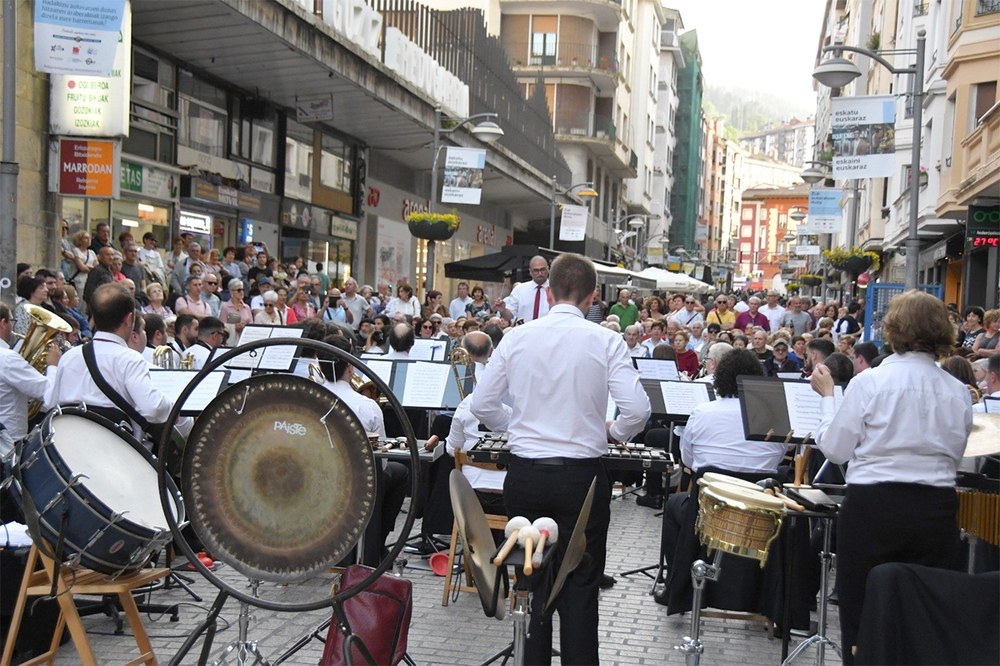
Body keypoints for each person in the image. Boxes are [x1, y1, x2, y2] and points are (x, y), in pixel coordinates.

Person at [472, 253, 651, 665]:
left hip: (527, 473)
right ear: (592, 298)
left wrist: (516, 425)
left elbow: (483, 403)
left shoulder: (516, 337)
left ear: (548, 292)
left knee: (531, 580)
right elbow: (637, 411)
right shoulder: (605, 340)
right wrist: (614, 432)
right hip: (581, 478)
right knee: (581, 585)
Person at [810, 290, 969, 664]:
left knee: (862, 609)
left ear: (893, 330)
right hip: (935, 509)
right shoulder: (957, 390)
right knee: (923, 610)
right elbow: (956, 454)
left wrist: (828, 398)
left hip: (874, 508)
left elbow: (836, 449)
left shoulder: (872, 382)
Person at [47, 283, 192, 443]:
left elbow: (51, 402)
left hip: (69, 446)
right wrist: (173, 408)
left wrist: (52, 368)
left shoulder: (70, 356)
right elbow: (153, 408)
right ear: (129, 319)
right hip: (114, 452)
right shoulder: (130, 359)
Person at [317, 334, 408, 565]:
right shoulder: (366, 406)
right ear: (350, 367)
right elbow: (383, 457)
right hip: (356, 482)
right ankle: (375, 544)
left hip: (316, 475)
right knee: (397, 472)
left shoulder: (307, 399)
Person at [0, 303, 60, 449]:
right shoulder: (8, 359)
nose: (12, 327)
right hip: (9, 441)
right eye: (12, 321)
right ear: (2, 323)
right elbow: (50, 395)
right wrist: (53, 365)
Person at [494, 256, 550, 323]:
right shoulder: (519, 290)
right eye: (536, 270)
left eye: (542, 269)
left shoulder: (557, 289)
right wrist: (503, 310)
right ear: (530, 272)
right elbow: (509, 316)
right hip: (525, 331)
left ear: (548, 269)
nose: (540, 273)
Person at [68, 230, 99, 297]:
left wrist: (89, 267)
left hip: (89, 280)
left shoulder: (91, 252)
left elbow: (96, 266)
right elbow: (82, 268)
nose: (89, 240)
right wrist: (91, 268)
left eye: (89, 238)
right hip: (79, 281)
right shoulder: (76, 251)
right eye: (86, 238)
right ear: (80, 240)